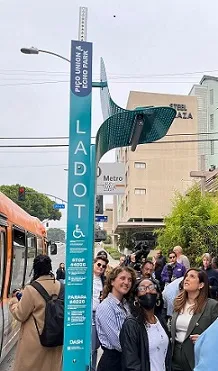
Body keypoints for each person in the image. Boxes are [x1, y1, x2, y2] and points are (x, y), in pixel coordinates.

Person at [9, 254, 62, 371]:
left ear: (35, 269)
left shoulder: (31, 289)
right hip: (55, 341)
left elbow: (20, 314)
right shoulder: (60, 286)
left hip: (35, 343)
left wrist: (13, 302)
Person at [171, 268, 218, 371]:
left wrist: (204, 338)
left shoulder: (212, 306)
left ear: (201, 285)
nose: (186, 279)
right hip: (174, 358)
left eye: (192, 276)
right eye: (186, 276)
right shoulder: (177, 302)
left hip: (196, 358)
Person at [120, 277, 171, 371]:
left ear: (158, 294)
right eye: (142, 288)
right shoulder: (131, 324)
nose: (147, 291)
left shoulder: (161, 321)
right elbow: (131, 364)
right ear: (136, 297)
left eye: (151, 287)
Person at [95, 266, 136, 371]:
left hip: (126, 359)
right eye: (122, 278)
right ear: (112, 281)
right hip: (113, 362)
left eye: (130, 280)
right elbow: (117, 341)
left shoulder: (126, 304)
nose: (126, 282)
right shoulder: (106, 306)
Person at [92, 255, 108, 371]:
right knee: (91, 346)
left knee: (97, 345)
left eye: (103, 266)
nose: (101, 267)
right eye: (99, 264)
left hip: (100, 315)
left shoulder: (104, 280)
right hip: (89, 315)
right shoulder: (87, 279)